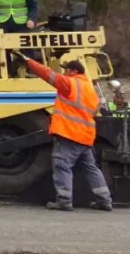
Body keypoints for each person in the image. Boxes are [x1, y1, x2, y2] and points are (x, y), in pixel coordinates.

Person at [13, 52, 113, 211]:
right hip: (86, 136)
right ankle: (105, 200)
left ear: (74, 72)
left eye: (66, 70)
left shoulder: (70, 84)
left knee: (62, 165)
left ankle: (64, 200)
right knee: (91, 168)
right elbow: (92, 112)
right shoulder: (90, 89)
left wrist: (28, 61)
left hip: (70, 134)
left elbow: (48, 75)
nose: (64, 72)